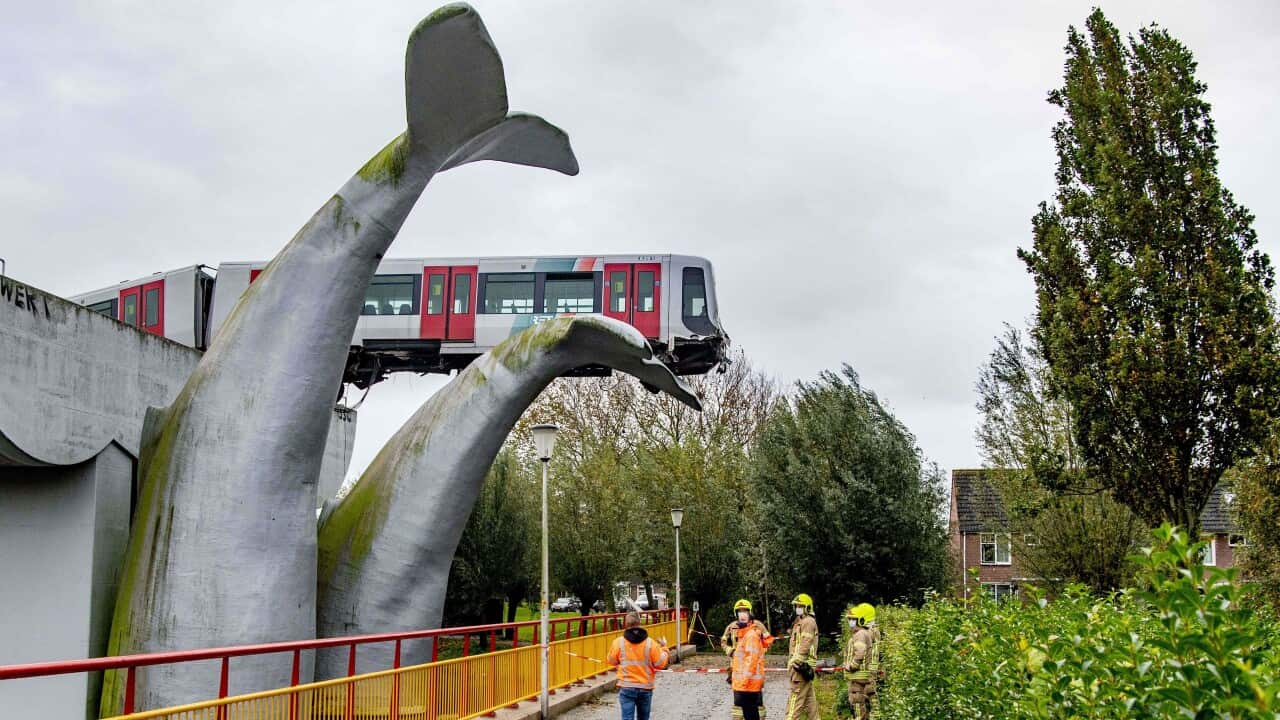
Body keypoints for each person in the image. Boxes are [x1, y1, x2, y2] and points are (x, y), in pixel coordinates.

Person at [607, 611, 670, 720]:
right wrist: (664, 648)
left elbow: (611, 660)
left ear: (626, 624)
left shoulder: (618, 643)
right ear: (640, 623)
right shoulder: (650, 643)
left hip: (627, 687)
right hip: (645, 687)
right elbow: (661, 664)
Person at [722, 598, 775, 720]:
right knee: (739, 704)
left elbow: (768, 641)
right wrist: (730, 651)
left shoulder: (757, 627)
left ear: (750, 612)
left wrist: (759, 652)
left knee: (755, 703)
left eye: (745, 611)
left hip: (751, 671)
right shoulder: (732, 627)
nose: (742, 614)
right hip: (737, 668)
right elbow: (723, 641)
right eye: (740, 611)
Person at [784, 593, 819, 720]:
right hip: (804, 668)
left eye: (801, 606)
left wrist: (794, 662)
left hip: (800, 668)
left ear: (807, 607)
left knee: (794, 705)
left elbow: (805, 644)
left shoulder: (808, 622)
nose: (798, 608)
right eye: (797, 605)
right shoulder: (802, 622)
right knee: (811, 705)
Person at [843, 604, 878, 720]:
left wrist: (852, 666)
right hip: (864, 677)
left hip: (857, 678)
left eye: (853, 619)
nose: (850, 622)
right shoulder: (867, 633)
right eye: (850, 619)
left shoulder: (860, 634)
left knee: (858, 709)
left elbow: (860, 652)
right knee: (870, 707)